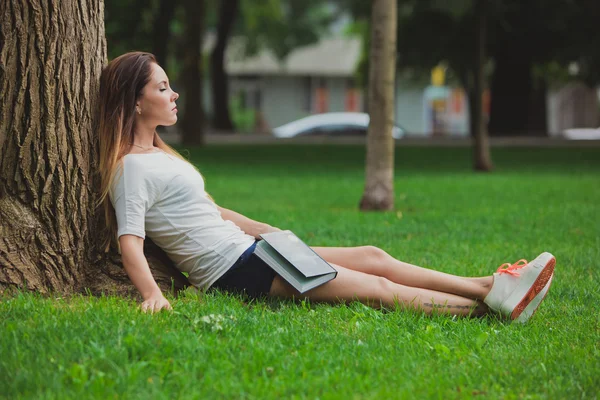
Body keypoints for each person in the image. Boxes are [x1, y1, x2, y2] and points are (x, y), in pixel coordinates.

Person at [97, 52, 555, 323]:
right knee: (374, 286)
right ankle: (493, 300)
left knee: (374, 255)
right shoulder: (131, 169)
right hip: (237, 271)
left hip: (252, 251)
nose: (174, 94)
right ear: (136, 102)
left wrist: (267, 230)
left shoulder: (160, 156)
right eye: (163, 87)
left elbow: (213, 213)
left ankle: (493, 289)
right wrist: (152, 295)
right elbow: (130, 242)